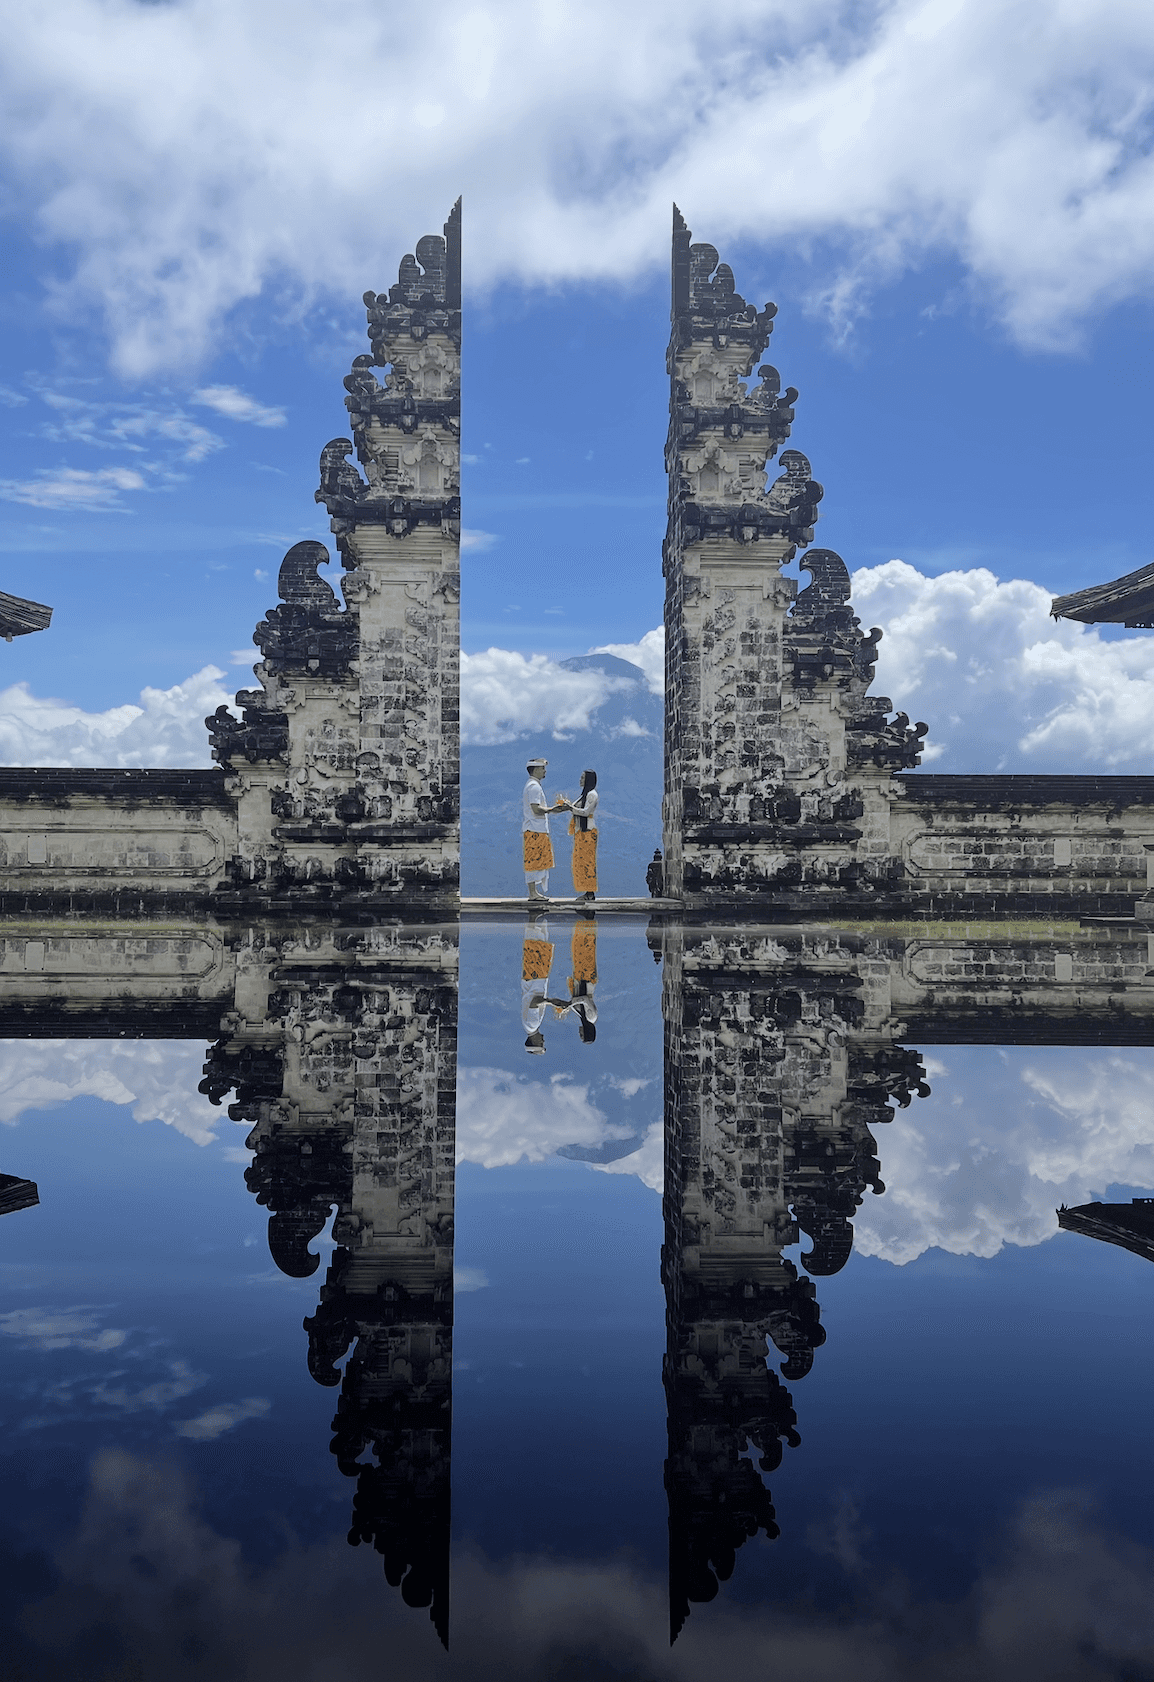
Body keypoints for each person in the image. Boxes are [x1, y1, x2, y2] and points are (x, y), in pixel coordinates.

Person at [522, 756, 570, 903]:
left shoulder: (532, 785)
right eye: (543, 768)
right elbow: (536, 809)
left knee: (537, 860)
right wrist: (552, 809)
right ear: (536, 769)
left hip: (537, 829)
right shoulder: (534, 787)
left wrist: (558, 810)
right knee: (533, 860)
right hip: (535, 829)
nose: (545, 771)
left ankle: (534, 892)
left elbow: (542, 809)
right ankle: (532, 893)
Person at [521, 915, 553, 1054]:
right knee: (534, 943)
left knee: (536, 945)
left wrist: (552, 1002)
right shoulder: (528, 1026)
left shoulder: (532, 1024)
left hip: (536, 979)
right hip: (532, 979)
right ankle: (534, 915)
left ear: (534, 1042)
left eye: (541, 1043)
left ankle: (535, 914)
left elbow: (535, 1002)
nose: (543, 1040)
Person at [568, 769, 599, 904]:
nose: (580, 780)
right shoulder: (585, 795)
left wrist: (570, 808)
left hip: (588, 832)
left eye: (583, 777)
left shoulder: (592, 795)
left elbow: (586, 812)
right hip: (581, 832)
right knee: (581, 862)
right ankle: (586, 890)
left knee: (588, 862)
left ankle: (590, 892)